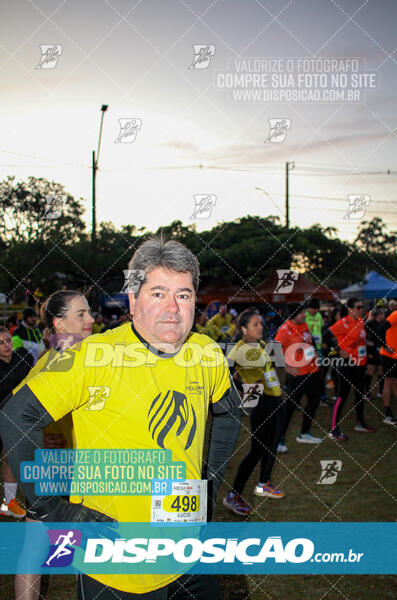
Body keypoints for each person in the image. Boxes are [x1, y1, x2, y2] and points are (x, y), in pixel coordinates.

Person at [0, 235, 241, 600]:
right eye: (158, 293)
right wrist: (52, 509)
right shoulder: (92, 354)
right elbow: (17, 416)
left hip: (188, 554)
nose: (173, 308)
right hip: (116, 566)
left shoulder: (204, 351)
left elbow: (228, 412)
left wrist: (209, 485)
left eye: (184, 294)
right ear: (132, 300)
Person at [13, 289, 94, 600]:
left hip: (71, 466)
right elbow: (16, 413)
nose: (91, 319)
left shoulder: (61, 357)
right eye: (81, 315)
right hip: (65, 468)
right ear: (60, 324)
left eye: (89, 313)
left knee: (39, 548)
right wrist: (47, 438)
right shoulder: (58, 362)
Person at [223, 309, 286, 517]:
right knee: (256, 450)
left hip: (273, 398)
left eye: (261, 323)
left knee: (272, 443)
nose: (261, 327)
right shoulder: (239, 350)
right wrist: (243, 387)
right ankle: (233, 495)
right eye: (255, 324)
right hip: (259, 401)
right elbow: (225, 375)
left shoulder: (258, 344)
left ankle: (263, 483)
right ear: (243, 329)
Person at [274, 302, 322, 449]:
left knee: (314, 401)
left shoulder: (305, 326)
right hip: (298, 375)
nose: (304, 315)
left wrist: (316, 354)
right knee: (289, 407)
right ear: (294, 315)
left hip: (313, 371)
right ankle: (278, 440)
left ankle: (305, 433)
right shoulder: (284, 330)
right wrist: (287, 367)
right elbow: (274, 351)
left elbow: (309, 343)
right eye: (302, 313)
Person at [328, 298, 376, 441]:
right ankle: (333, 429)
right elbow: (327, 336)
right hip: (347, 364)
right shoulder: (344, 322)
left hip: (360, 364)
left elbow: (360, 341)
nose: (361, 310)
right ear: (350, 309)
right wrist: (337, 350)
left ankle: (360, 422)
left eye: (362, 307)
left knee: (360, 393)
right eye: (358, 307)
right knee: (343, 394)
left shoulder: (360, 322)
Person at [0, 326, 33, 518]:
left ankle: (9, 502)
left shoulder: (22, 359)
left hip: (14, 420)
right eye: (1, 343)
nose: (6, 345)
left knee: (10, 459)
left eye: (8, 340)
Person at [305, 298, 328, 405]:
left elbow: (321, 329)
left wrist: (323, 341)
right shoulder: (304, 315)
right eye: (312, 308)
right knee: (307, 373)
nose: (314, 311)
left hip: (318, 348)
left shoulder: (318, 316)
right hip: (307, 348)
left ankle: (321, 396)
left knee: (320, 371)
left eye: (316, 309)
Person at [379, 306, 397, 425]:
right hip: (389, 356)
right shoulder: (396, 314)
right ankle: (387, 414)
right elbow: (380, 329)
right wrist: (385, 346)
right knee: (389, 381)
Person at [365, 308, 385, 401]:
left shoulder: (384, 323)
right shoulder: (370, 323)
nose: (384, 315)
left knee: (381, 370)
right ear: (379, 315)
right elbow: (362, 334)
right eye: (382, 314)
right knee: (370, 370)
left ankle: (381, 391)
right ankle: (366, 392)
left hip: (381, 351)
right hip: (371, 351)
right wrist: (367, 343)